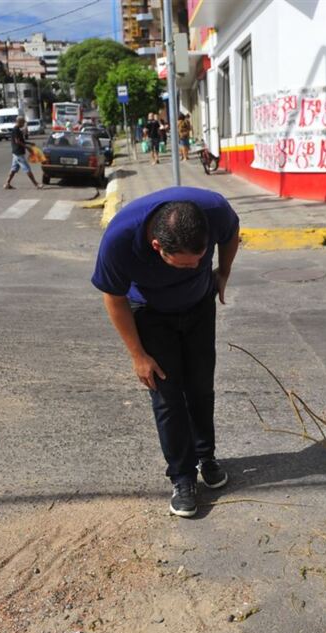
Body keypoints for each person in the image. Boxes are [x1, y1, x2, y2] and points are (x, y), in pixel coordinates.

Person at [91, 188, 240, 517]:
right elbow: (113, 298)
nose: (195, 267)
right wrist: (138, 356)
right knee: (168, 395)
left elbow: (232, 233)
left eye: (200, 261)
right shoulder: (119, 239)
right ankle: (182, 477)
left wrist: (223, 272)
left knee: (201, 385)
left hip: (199, 307)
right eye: (186, 265)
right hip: (149, 313)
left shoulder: (214, 209)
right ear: (157, 247)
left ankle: (206, 457)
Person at [4, 116, 41, 190]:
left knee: (13, 169)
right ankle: (36, 184)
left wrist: (29, 143)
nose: (24, 124)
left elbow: (21, 140)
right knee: (27, 168)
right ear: (19, 122)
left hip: (16, 153)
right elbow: (17, 141)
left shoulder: (17, 129)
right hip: (18, 153)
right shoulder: (16, 130)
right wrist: (27, 147)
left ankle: (7, 184)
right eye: (23, 122)